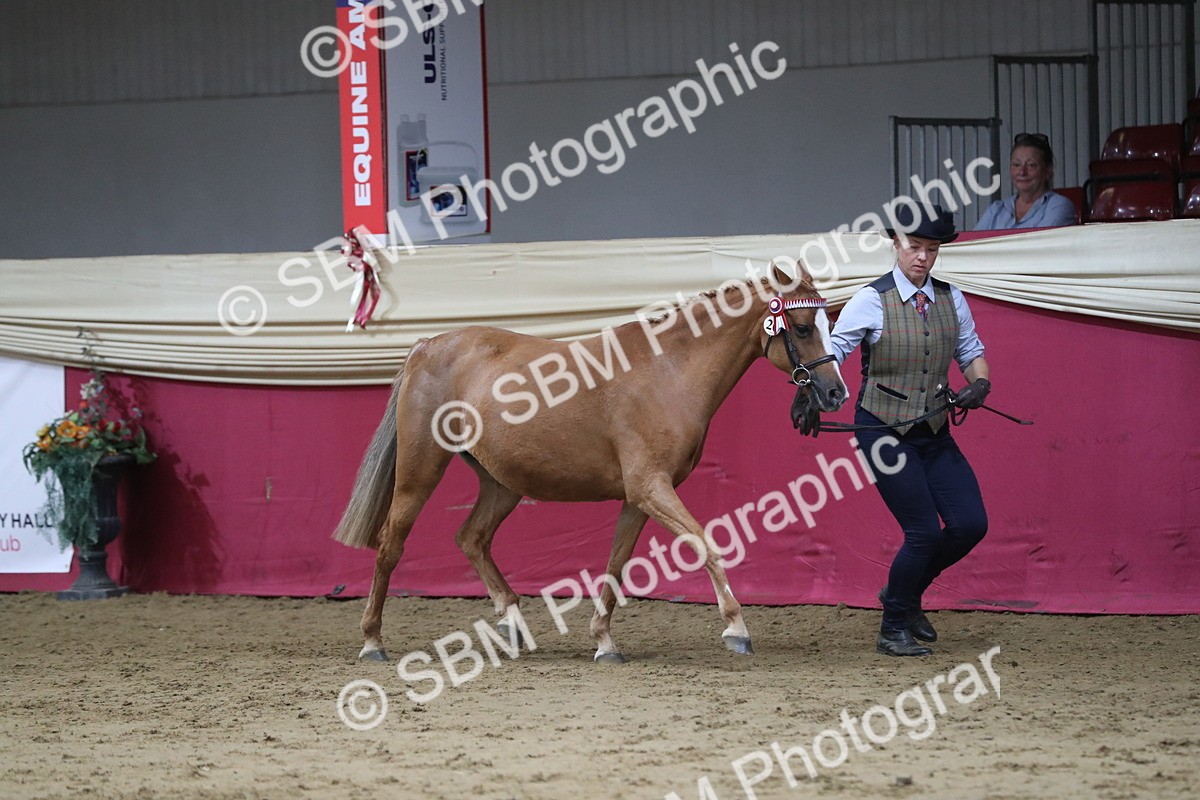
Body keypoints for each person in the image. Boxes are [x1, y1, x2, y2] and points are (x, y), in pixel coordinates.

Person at [830, 204, 991, 657]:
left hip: (933, 429)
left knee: (969, 524)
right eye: (914, 246)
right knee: (922, 531)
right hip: (882, 429)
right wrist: (812, 393)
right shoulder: (869, 299)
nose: (922, 257)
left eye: (931, 249)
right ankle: (893, 625)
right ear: (896, 245)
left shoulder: (950, 298)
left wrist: (980, 383)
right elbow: (835, 351)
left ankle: (903, 593)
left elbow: (970, 350)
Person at [974, 133, 1077, 230]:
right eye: (1016, 165)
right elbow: (971, 245)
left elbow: (1038, 245)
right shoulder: (996, 210)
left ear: (1048, 171)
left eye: (1031, 165)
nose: (1022, 172)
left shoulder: (1059, 206)